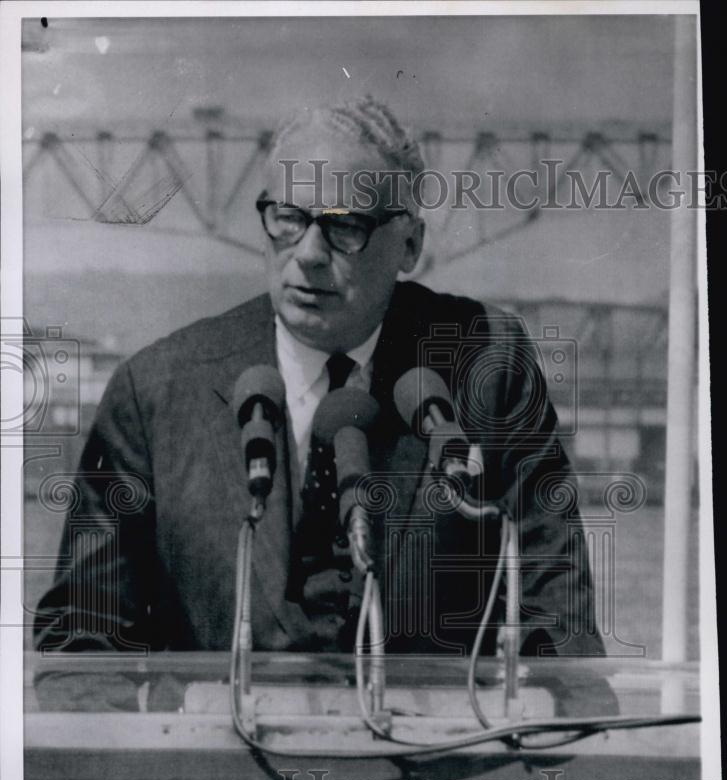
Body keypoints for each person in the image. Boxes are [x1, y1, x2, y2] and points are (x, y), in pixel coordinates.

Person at [34, 96, 610, 713]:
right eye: (287, 218)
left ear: (409, 244)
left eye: (345, 227)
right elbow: (82, 651)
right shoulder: (155, 392)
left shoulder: (488, 369)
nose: (307, 253)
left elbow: (561, 643)